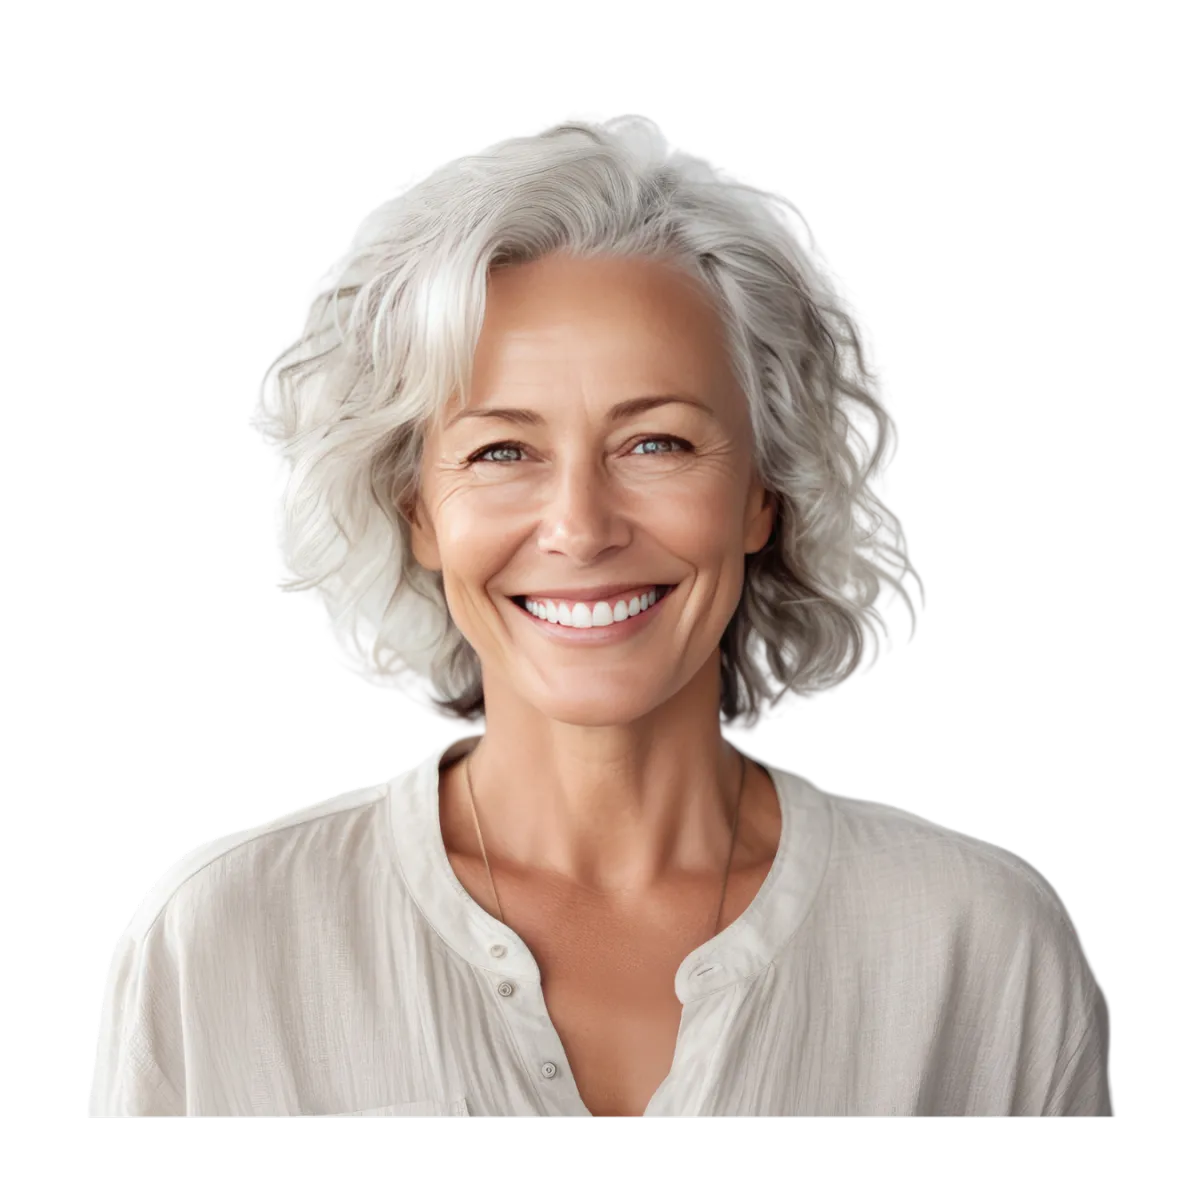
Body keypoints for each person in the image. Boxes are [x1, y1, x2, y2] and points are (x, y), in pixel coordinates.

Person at [88, 111, 1113, 1118]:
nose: (579, 527)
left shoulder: (979, 946)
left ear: (765, 493)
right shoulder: (220, 941)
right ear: (418, 514)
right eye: (502, 451)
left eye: (656, 443)